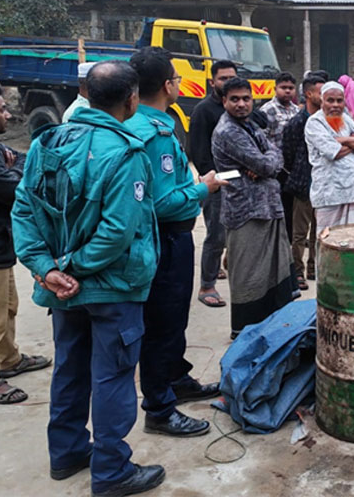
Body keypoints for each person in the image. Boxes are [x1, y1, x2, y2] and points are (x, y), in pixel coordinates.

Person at [12, 61, 166, 495]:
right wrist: (70, 269)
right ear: (131, 99)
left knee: (70, 369)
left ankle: (66, 454)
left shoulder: (47, 142)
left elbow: (23, 210)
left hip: (63, 287)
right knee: (113, 376)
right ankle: (112, 471)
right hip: (112, 287)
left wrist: (48, 269)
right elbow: (117, 232)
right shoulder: (126, 152)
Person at [126, 47, 226, 438]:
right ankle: (159, 408)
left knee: (173, 319)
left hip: (172, 237)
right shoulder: (149, 132)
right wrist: (203, 188)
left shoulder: (155, 122)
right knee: (161, 323)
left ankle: (175, 377)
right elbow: (160, 202)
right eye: (177, 78)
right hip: (164, 237)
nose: (180, 84)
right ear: (167, 85)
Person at [0, 83, 50, 405]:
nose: (7, 115)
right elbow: (19, 189)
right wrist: (17, 168)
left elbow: (19, 161)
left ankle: (10, 359)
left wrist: (15, 164)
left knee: (7, 308)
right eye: (1, 110)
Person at [212, 77, 295, 339]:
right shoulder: (228, 131)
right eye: (234, 99)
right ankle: (245, 334)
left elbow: (275, 155)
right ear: (223, 101)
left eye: (246, 99)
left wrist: (266, 162)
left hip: (266, 208)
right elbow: (269, 165)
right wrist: (266, 164)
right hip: (246, 213)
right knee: (250, 276)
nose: (241, 104)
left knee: (272, 272)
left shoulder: (249, 125)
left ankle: (268, 330)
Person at [188, 60, 237, 308]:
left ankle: (220, 266)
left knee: (234, 233)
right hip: (215, 183)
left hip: (239, 183)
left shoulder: (239, 107)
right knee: (216, 235)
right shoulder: (204, 110)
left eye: (232, 78)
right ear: (212, 82)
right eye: (223, 79)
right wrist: (211, 179)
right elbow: (197, 150)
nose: (227, 83)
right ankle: (207, 285)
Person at [305, 81, 354, 230]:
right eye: (330, 100)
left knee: (352, 239)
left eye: (339, 100)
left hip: (352, 192)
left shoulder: (346, 119)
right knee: (329, 241)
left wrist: (343, 140)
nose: (335, 105)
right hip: (329, 194)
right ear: (322, 101)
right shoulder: (314, 122)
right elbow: (333, 152)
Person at [282, 75, 324, 290]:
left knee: (319, 231)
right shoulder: (297, 122)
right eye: (321, 92)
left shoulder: (328, 120)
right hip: (302, 183)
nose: (325, 97)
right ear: (309, 94)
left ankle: (313, 267)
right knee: (299, 233)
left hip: (322, 184)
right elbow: (287, 152)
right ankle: (297, 272)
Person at [260, 71, 301, 240]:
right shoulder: (267, 111)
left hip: (294, 168)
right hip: (275, 169)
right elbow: (260, 139)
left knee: (291, 207)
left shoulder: (297, 111)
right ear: (275, 88)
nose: (287, 91)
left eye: (291, 88)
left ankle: (290, 242)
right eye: (283, 88)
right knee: (276, 207)